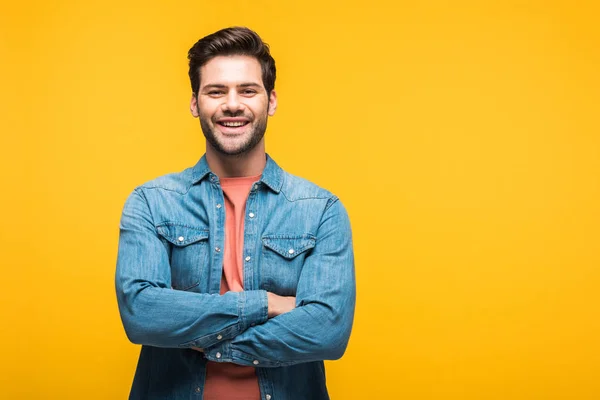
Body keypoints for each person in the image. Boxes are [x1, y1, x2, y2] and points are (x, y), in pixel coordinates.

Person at [115, 26, 356, 400]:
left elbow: (328, 330)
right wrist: (266, 304)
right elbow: (143, 314)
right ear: (195, 103)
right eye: (216, 91)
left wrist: (203, 341)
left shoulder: (320, 210)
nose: (232, 104)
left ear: (270, 101)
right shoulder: (151, 202)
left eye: (247, 90)